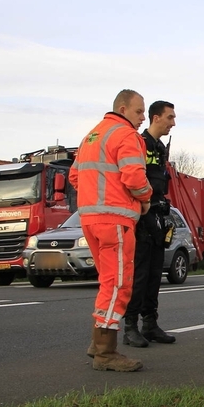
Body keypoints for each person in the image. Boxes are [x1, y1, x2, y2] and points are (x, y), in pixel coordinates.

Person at [68, 89, 153, 372]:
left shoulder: (92, 135)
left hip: (90, 219)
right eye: (139, 111)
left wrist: (96, 199)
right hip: (115, 220)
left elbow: (75, 176)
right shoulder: (127, 135)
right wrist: (144, 198)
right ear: (123, 108)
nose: (143, 117)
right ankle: (106, 352)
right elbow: (134, 176)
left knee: (108, 281)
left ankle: (98, 344)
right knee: (118, 283)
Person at [123, 101, 178, 348]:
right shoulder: (139, 144)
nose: (173, 123)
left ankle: (150, 323)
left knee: (156, 273)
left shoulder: (159, 148)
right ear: (156, 118)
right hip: (141, 215)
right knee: (140, 274)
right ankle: (130, 326)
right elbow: (132, 180)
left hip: (157, 213)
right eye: (170, 117)